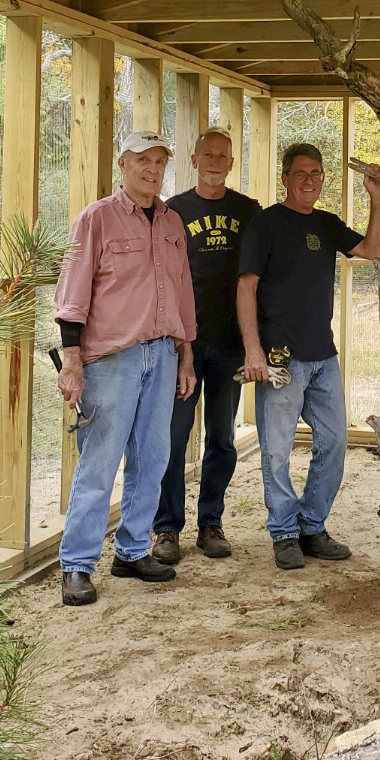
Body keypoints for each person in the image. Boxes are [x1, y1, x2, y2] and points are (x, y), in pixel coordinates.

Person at [53, 130, 197, 607]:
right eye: (143, 161)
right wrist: (71, 363)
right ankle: (76, 564)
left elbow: (181, 293)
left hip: (163, 354)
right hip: (112, 357)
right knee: (99, 462)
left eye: (160, 161)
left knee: (153, 458)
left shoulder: (173, 222)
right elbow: (72, 293)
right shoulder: (96, 219)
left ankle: (133, 551)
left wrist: (185, 354)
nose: (152, 169)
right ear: (122, 164)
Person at [236, 142, 380, 570]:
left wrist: (376, 198)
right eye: (300, 173)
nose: (309, 181)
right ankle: (283, 532)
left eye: (316, 174)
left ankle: (311, 525)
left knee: (336, 440)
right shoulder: (266, 225)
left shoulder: (327, 223)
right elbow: (246, 287)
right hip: (280, 357)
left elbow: (372, 249)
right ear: (285, 178)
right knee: (277, 451)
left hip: (323, 355)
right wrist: (253, 350)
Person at [151, 128, 263, 565]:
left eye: (223, 155)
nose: (215, 161)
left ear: (231, 164)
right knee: (174, 439)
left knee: (221, 438)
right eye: (208, 154)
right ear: (194, 160)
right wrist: (179, 344)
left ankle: (210, 522)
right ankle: (166, 528)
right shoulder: (173, 211)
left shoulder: (247, 211)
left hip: (231, 344)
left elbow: (259, 276)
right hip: (182, 347)